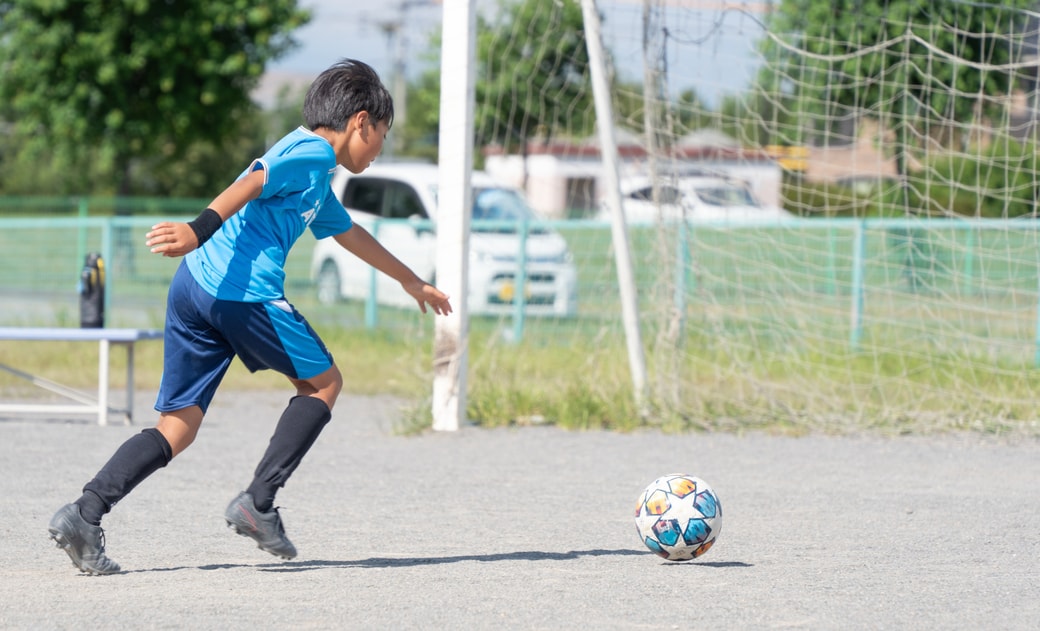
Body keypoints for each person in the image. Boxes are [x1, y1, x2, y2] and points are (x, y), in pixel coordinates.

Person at [47, 59, 452, 575]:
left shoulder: (315, 178)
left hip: (195, 288)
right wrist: (199, 228)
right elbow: (256, 179)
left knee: (178, 426)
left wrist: (408, 279)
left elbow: (348, 231)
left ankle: (85, 513)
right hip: (240, 294)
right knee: (324, 383)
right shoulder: (309, 152)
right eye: (382, 138)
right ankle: (258, 504)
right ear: (361, 121)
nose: (378, 152)